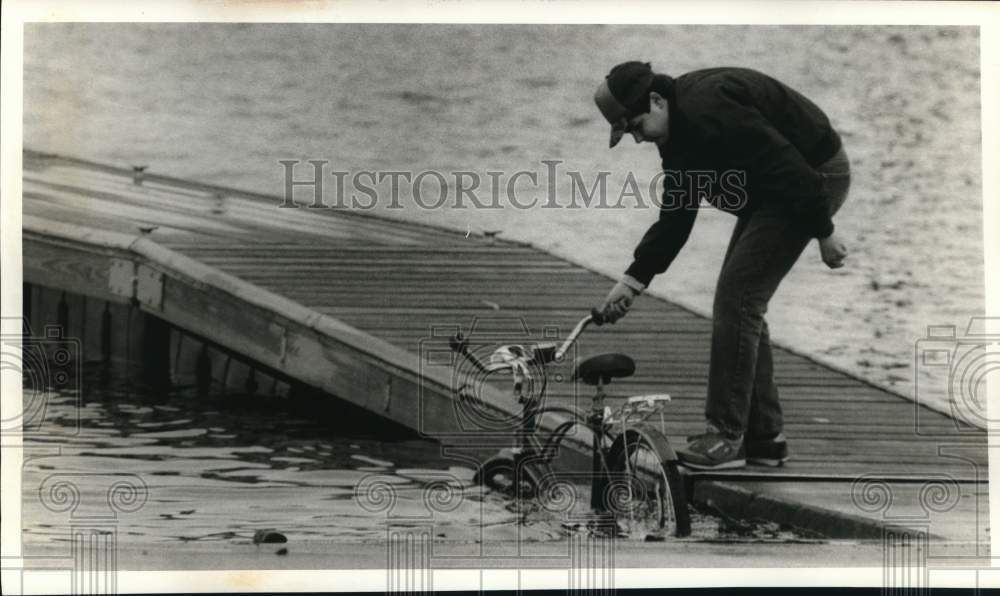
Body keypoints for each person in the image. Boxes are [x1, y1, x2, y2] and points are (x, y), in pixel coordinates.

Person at [594, 61, 851, 470]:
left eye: (636, 125)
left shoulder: (710, 108)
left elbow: (786, 162)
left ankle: (726, 436)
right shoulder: (677, 136)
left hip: (811, 178)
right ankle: (764, 438)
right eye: (629, 133)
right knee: (741, 299)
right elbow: (676, 217)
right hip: (774, 187)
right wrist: (631, 281)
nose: (638, 138)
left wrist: (824, 231)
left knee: (739, 298)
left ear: (656, 100)